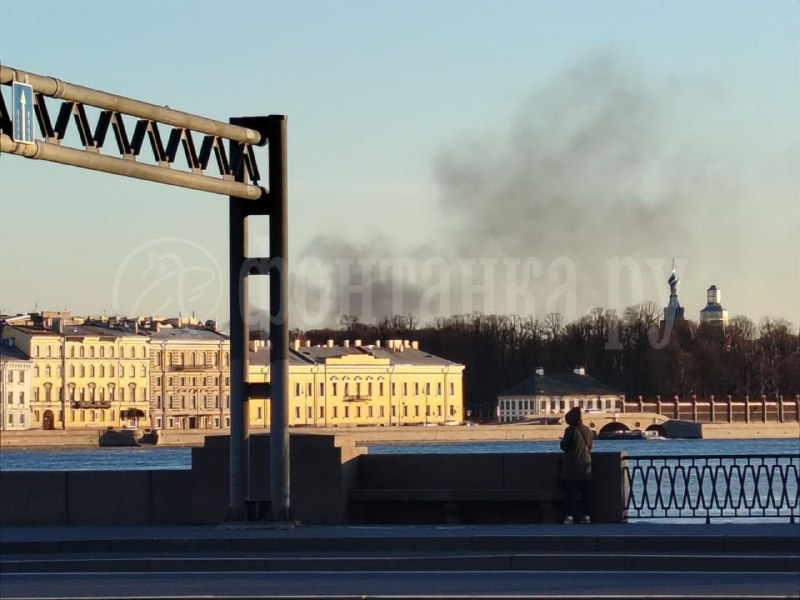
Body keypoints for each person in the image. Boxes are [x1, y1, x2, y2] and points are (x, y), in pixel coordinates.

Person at [560, 406, 593, 524]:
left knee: (570, 493)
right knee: (586, 493)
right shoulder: (588, 430)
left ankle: (570, 517)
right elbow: (590, 446)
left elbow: (564, 446)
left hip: (572, 465)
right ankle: (586, 516)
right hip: (586, 466)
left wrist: (562, 441)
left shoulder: (570, 430)